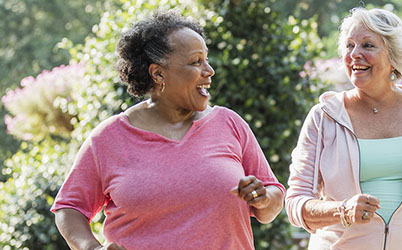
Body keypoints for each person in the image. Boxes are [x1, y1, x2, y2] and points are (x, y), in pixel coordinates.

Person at [51, 10, 285, 249]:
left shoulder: (229, 124)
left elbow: (272, 201)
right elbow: (70, 208)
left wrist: (264, 199)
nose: (209, 70)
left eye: (206, 59)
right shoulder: (109, 138)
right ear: (158, 73)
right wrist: (92, 248)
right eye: (196, 62)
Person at [285, 7, 402, 250]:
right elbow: (296, 203)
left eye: (367, 45)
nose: (355, 54)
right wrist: (343, 210)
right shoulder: (323, 117)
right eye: (349, 46)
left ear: (394, 57)